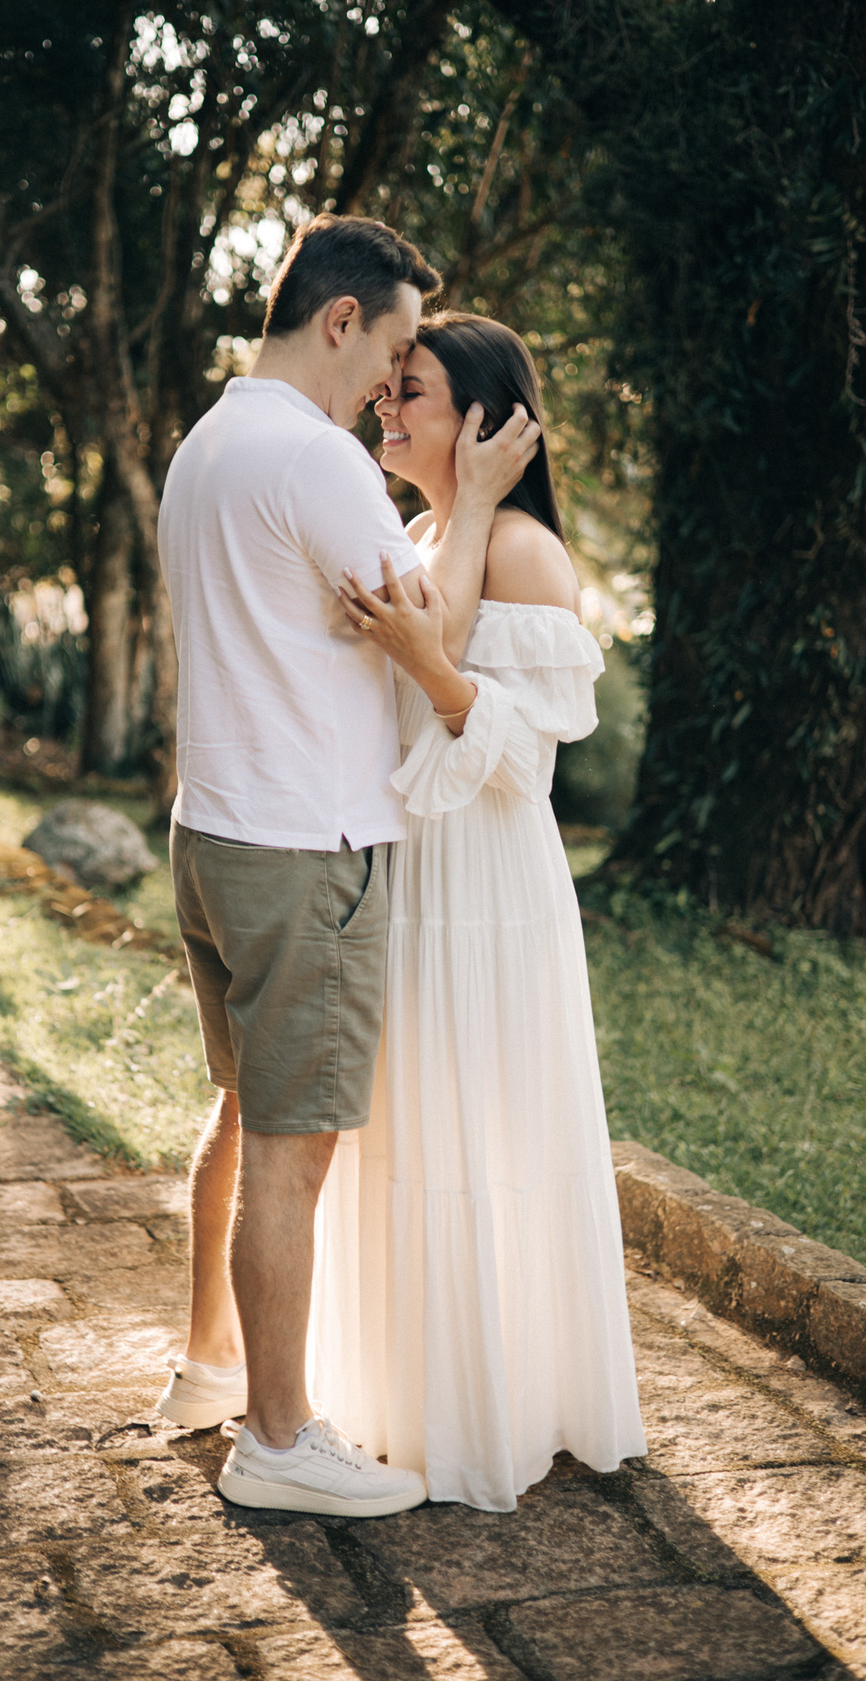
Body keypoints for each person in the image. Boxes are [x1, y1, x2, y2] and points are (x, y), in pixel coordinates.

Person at [155, 222, 540, 1516]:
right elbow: (427, 631)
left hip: (211, 830)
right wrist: (476, 505)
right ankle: (279, 1439)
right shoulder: (316, 461)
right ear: (339, 321)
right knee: (294, 1148)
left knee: (240, 1110)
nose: (389, 378)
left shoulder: (206, 445)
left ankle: (209, 1367)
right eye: (388, 343)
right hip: (303, 845)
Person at [308, 311, 648, 1512]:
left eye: (415, 394)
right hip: (408, 878)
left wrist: (428, 663)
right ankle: (415, 1399)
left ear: (489, 422)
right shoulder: (420, 532)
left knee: (489, 1138)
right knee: (409, 1132)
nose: (387, 410)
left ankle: (504, 1412)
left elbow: (526, 762)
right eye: (389, 389)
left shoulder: (522, 553)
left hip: (492, 886)